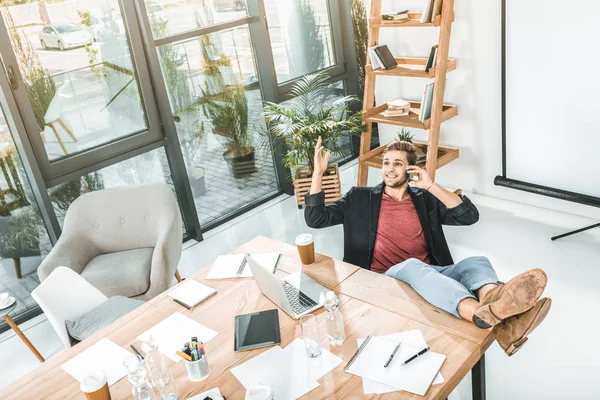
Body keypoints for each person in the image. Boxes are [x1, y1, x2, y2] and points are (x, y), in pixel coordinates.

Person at [304, 137, 551, 356]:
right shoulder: (358, 197)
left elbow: (469, 216)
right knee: (413, 265)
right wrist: (318, 174)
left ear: (410, 170)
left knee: (478, 262)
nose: (390, 169)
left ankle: (495, 306)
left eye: (397, 163)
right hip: (386, 280)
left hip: (430, 274)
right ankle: (478, 312)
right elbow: (316, 219)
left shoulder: (425, 199)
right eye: (386, 163)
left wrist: (431, 185)